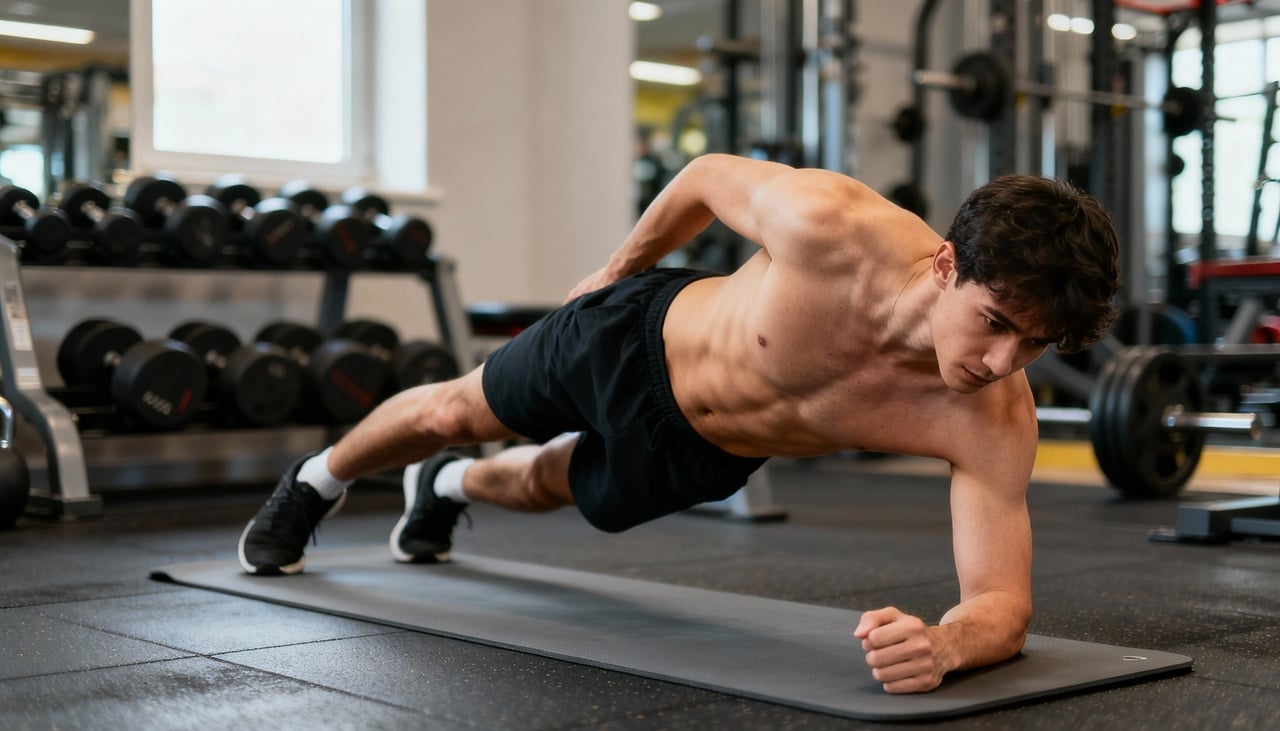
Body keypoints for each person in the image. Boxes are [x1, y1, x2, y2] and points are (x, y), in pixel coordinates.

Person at [238, 153, 1120, 694]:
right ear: (944, 264)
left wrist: (942, 644)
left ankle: (446, 486)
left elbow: (1003, 603)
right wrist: (614, 269)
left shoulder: (992, 415)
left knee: (553, 487)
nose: (1002, 363)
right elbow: (703, 177)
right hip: (628, 338)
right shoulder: (830, 226)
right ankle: (315, 483)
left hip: (703, 453)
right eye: (997, 323)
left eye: (1035, 344)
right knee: (451, 407)